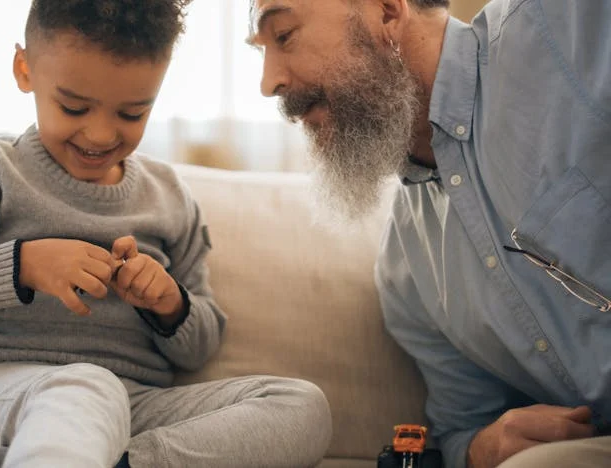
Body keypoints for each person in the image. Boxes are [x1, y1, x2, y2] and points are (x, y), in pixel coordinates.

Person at [0, 1, 333, 467]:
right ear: (24, 69)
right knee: (89, 387)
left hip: (137, 410)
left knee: (301, 405)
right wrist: (22, 265)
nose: (99, 134)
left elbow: (200, 347)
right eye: (73, 107)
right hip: (12, 393)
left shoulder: (168, 197)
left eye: (132, 114)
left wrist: (168, 304)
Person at [247, 0, 611, 467]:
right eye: (261, 51)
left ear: (386, 11)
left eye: (284, 36)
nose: (268, 82)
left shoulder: (572, 24)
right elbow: (461, 428)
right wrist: (483, 447)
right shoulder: (406, 271)